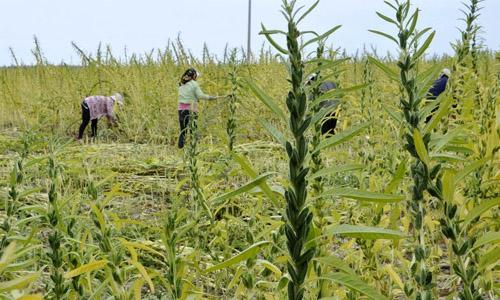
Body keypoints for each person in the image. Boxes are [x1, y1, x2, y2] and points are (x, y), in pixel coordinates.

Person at [177, 68, 224, 148]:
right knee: (193, 130)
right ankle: (193, 148)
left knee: (183, 131)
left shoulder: (182, 84)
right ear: (194, 76)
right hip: (191, 109)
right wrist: (211, 97)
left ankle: (181, 148)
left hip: (181, 109)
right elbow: (200, 95)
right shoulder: (194, 84)